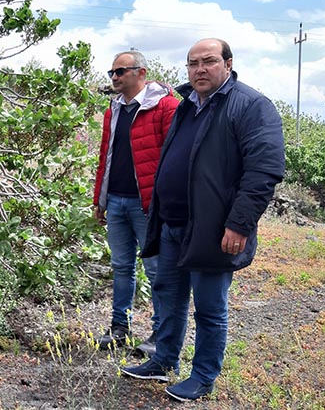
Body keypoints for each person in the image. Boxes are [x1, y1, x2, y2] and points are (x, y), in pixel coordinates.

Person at [120, 38, 285, 402]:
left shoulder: (251, 106)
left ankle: (203, 376)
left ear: (228, 63)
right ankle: (163, 360)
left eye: (208, 61)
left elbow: (265, 170)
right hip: (172, 225)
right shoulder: (187, 106)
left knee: (209, 308)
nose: (199, 69)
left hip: (213, 229)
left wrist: (240, 224)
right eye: (192, 63)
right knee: (169, 296)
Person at [92, 51, 178, 354]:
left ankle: (160, 335)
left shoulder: (166, 106)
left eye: (120, 72)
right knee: (121, 267)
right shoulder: (112, 110)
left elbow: (175, 158)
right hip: (115, 201)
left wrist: (166, 204)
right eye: (112, 72)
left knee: (157, 270)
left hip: (148, 206)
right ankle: (119, 328)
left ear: (140, 72)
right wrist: (99, 199)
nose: (114, 77)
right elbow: (107, 156)